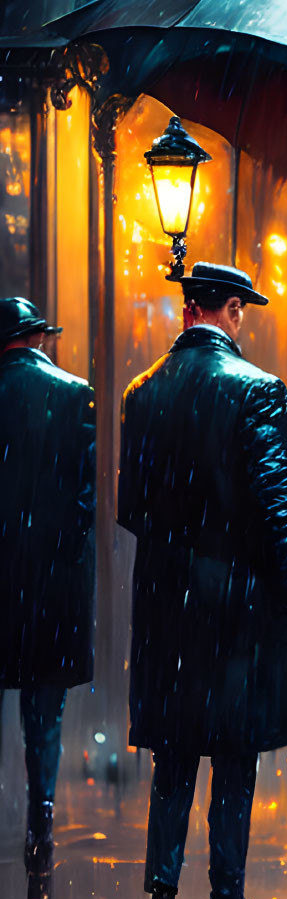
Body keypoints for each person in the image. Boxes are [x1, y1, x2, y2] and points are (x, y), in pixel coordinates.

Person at [119, 263, 287, 899]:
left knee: (174, 754)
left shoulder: (143, 394)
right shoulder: (257, 391)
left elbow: (132, 508)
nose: (241, 322)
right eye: (240, 312)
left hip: (167, 602)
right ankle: (226, 898)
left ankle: (162, 897)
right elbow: (277, 508)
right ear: (225, 310)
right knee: (234, 755)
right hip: (237, 604)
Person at [0, 298, 94, 861]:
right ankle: (42, 812)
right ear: (37, 339)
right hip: (52, 581)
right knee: (44, 712)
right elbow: (84, 502)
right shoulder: (72, 393)